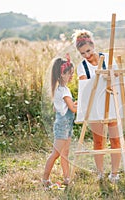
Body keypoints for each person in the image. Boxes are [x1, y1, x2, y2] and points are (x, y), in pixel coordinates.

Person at [71, 29, 120, 183]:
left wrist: (110, 74)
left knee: (115, 140)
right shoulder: (82, 67)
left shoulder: (108, 58)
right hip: (94, 107)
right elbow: (85, 86)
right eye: (82, 53)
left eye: (88, 51)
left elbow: (118, 77)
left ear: (93, 45)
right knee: (98, 141)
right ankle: (100, 172)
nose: (86, 55)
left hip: (111, 104)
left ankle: (114, 174)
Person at [42, 54, 77, 189]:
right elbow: (72, 109)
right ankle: (45, 179)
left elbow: (59, 107)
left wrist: (73, 104)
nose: (72, 76)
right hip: (63, 126)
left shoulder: (59, 89)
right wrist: (81, 105)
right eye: (70, 73)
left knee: (65, 153)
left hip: (65, 125)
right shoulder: (64, 90)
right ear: (62, 74)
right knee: (56, 153)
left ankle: (67, 178)